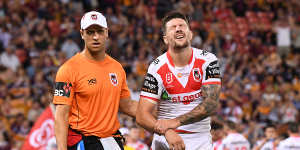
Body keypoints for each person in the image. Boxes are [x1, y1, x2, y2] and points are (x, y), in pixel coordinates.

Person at [136, 11, 221, 150]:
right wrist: (167, 132)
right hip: (165, 139)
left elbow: (211, 104)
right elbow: (141, 115)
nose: (178, 29)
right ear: (165, 39)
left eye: (182, 26)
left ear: (190, 34)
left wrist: (175, 122)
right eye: (173, 27)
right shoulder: (156, 67)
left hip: (199, 138)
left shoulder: (208, 60)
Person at [53, 11, 138, 150]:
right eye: (90, 32)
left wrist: (156, 112)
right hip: (84, 142)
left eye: (99, 31)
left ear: (107, 33)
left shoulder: (117, 68)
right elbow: (61, 116)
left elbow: (127, 105)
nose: (95, 37)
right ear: (82, 34)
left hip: (112, 140)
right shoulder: (68, 69)